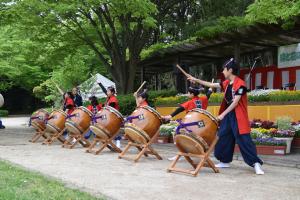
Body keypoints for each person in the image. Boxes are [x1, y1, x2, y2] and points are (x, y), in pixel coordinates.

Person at [187, 58, 264, 175]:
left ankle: (256, 163)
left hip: (238, 115)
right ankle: (225, 160)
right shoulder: (227, 83)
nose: (222, 71)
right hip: (228, 115)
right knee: (223, 135)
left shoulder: (241, 84)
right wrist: (195, 79)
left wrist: (223, 114)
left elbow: (235, 103)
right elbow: (212, 84)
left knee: (243, 139)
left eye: (224, 69)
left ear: (230, 70)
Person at [163, 86, 212, 161]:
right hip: (202, 125)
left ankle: (181, 153)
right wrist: (210, 90)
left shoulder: (190, 102)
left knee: (177, 133)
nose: (187, 94)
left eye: (188, 93)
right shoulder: (203, 99)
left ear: (192, 94)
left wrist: (170, 116)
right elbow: (208, 95)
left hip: (192, 125)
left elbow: (180, 109)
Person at [97, 81, 121, 147]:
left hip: (114, 117)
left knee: (114, 129)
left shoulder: (113, 99)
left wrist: (103, 107)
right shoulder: (109, 98)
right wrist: (100, 84)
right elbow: (104, 90)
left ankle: (118, 142)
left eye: (108, 91)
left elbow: (111, 109)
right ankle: (108, 141)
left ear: (112, 92)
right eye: (107, 91)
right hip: (109, 117)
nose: (107, 92)